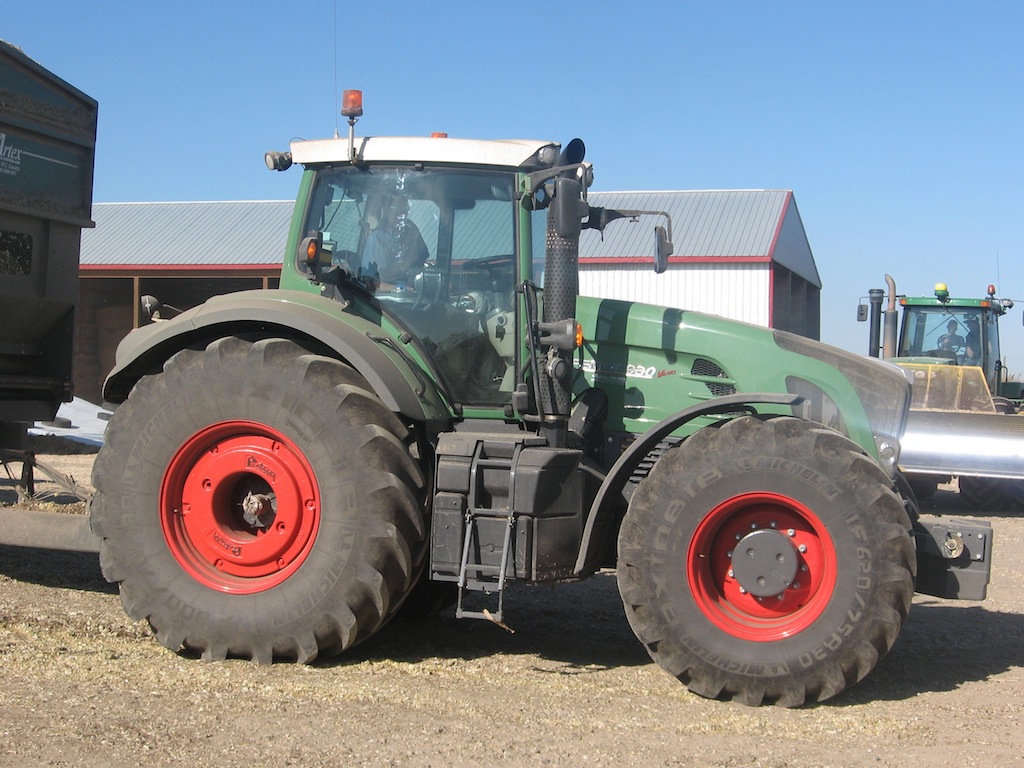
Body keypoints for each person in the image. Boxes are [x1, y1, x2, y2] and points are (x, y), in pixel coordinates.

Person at [363, 195, 429, 291]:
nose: (401, 214)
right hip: (383, 300)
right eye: (395, 209)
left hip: (415, 293)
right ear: (386, 211)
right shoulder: (377, 239)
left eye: (404, 209)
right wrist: (400, 289)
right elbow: (370, 282)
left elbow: (421, 261)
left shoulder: (411, 229)